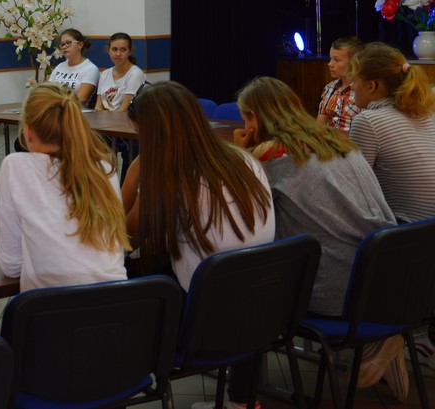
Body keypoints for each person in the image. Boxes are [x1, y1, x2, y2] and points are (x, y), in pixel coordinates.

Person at [235, 76, 405, 399]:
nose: (245, 126)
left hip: (338, 295)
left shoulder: (276, 162)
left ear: (257, 117)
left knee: (251, 283)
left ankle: (239, 395)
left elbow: (243, 211)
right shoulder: (340, 143)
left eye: (246, 118)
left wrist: (244, 156)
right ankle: (376, 343)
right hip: (384, 283)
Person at [125, 81, 274, 409]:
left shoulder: (169, 175)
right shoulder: (245, 160)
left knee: (123, 274)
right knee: (235, 271)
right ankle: (241, 402)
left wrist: (138, 169)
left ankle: (114, 376)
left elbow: (126, 237)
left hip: (204, 327)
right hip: (264, 313)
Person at [0, 82, 129, 291]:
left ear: (27, 130)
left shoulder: (15, 166)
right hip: (119, 302)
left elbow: (11, 266)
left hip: (51, 307)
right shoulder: (103, 167)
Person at [348, 42, 435, 222]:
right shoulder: (426, 113)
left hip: (408, 232)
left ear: (372, 85)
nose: (351, 86)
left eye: (354, 80)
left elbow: (355, 188)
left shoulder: (367, 121)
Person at [316, 36, 364, 131]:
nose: (330, 64)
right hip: (329, 139)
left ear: (353, 62)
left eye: (336, 60)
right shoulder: (329, 88)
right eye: (330, 59)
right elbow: (319, 125)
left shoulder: (364, 90)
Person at [94, 32, 145, 112]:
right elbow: (98, 106)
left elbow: (124, 109)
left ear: (130, 51)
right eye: (114, 49)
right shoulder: (105, 74)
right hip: (105, 117)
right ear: (108, 50)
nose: (118, 54)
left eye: (123, 50)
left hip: (124, 118)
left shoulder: (135, 74)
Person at [47, 29, 99, 104]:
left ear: (80, 45)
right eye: (62, 44)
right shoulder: (59, 67)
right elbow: (47, 91)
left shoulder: (91, 69)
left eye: (68, 43)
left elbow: (81, 99)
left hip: (75, 109)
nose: (64, 47)